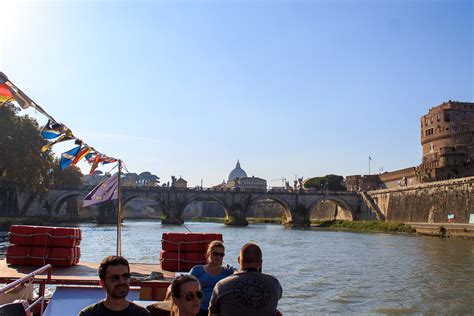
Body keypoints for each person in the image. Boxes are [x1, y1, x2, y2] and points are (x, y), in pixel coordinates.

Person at [209, 242, 282, 316]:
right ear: (260, 263)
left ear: (238, 259)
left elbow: (212, 314)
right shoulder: (274, 283)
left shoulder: (222, 285)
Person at [79, 255, 150, 316]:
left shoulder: (142, 314)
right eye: (115, 278)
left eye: (125, 276)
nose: (121, 282)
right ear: (102, 283)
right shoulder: (88, 314)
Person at [189, 241, 235, 316]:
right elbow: (186, 287)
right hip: (200, 310)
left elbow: (240, 277)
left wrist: (234, 270)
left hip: (220, 311)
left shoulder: (227, 272)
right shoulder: (197, 270)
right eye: (215, 254)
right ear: (208, 254)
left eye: (221, 255)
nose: (218, 257)